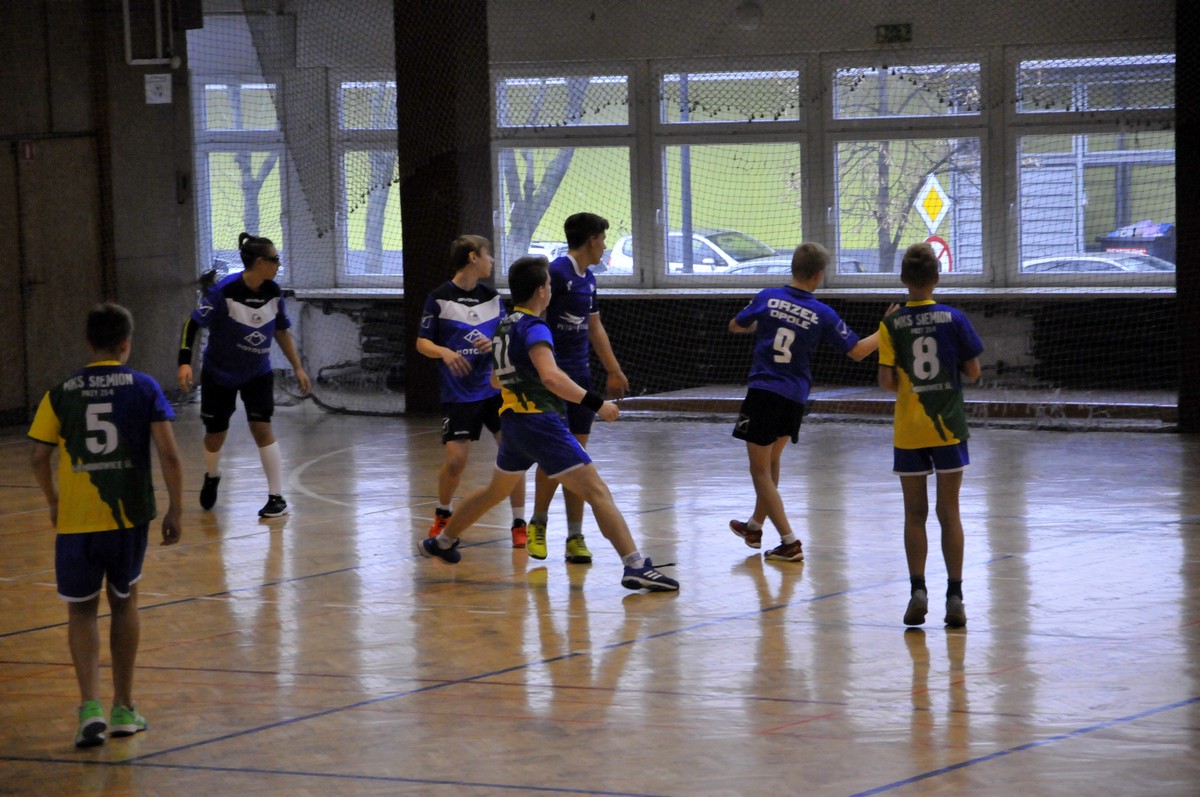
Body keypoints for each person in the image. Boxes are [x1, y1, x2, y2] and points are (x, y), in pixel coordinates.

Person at [419, 255, 677, 592]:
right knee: (597, 491)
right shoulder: (535, 327)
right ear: (542, 290)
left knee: (495, 491)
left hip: (513, 424)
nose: (551, 289)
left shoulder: (504, 326)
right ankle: (635, 565)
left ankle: (443, 541)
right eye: (550, 284)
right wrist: (598, 404)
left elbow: (496, 381)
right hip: (540, 423)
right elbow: (552, 377)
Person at [28, 303, 183, 748]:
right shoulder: (145, 387)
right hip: (127, 518)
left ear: (88, 343)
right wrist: (175, 508)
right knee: (125, 602)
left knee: (81, 612)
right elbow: (169, 454)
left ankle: (89, 708)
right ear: (126, 345)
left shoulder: (61, 392)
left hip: (77, 521)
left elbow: (38, 457)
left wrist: (54, 500)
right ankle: (124, 708)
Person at [727, 242, 891, 561]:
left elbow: (735, 325)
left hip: (764, 392)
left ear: (793, 267)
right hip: (795, 397)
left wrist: (769, 322)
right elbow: (858, 351)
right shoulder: (822, 313)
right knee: (771, 463)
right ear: (818, 274)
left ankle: (789, 542)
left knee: (759, 472)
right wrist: (886, 330)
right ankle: (754, 526)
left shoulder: (766, 297)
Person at [878, 242, 983, 628]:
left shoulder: (890, 324)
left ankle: (918, 590)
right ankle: (955, 596)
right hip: (949, 427)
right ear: (937, 278)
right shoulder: (954, 318)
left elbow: (886, 381)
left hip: (909, 429)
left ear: (903, 280)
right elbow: (974, 372)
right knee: (949, 512)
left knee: (914, 514)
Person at [177, 232, 311, 518]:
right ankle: (212, 475)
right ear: (260, 262)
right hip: (218, 374)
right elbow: (192, 324)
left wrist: (297, 366)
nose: (278, 264)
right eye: (275, 259)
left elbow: (281, 331)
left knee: (262, 428)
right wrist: (184, 363)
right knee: (215, 435)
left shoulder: (273, 292)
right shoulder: (223, 291)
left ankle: (276, 497)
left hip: (257, 373)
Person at [526, 212, 629, 564]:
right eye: (603, 239)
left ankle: (574, 536)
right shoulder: (555, 273)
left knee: (577, 459)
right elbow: (534, 318)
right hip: (554, 378)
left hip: (582, 378)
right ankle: (538, 523)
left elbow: (595, 327)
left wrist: (613, 370)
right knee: (555, 456)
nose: (604, 246)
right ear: (591, 239)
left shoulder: (590, 279)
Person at [415, 235, 527, 546]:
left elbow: (506, 338)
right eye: (488, 254)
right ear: (473, 257)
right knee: (455, 461)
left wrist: (493, 343)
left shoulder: (492, 297)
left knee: (513, 452)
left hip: (494, 389)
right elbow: (422, 342)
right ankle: (443, 514)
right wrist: (445, 352)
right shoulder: (439, 298)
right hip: (459, 394)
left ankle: (519, 522)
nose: (492, 261)